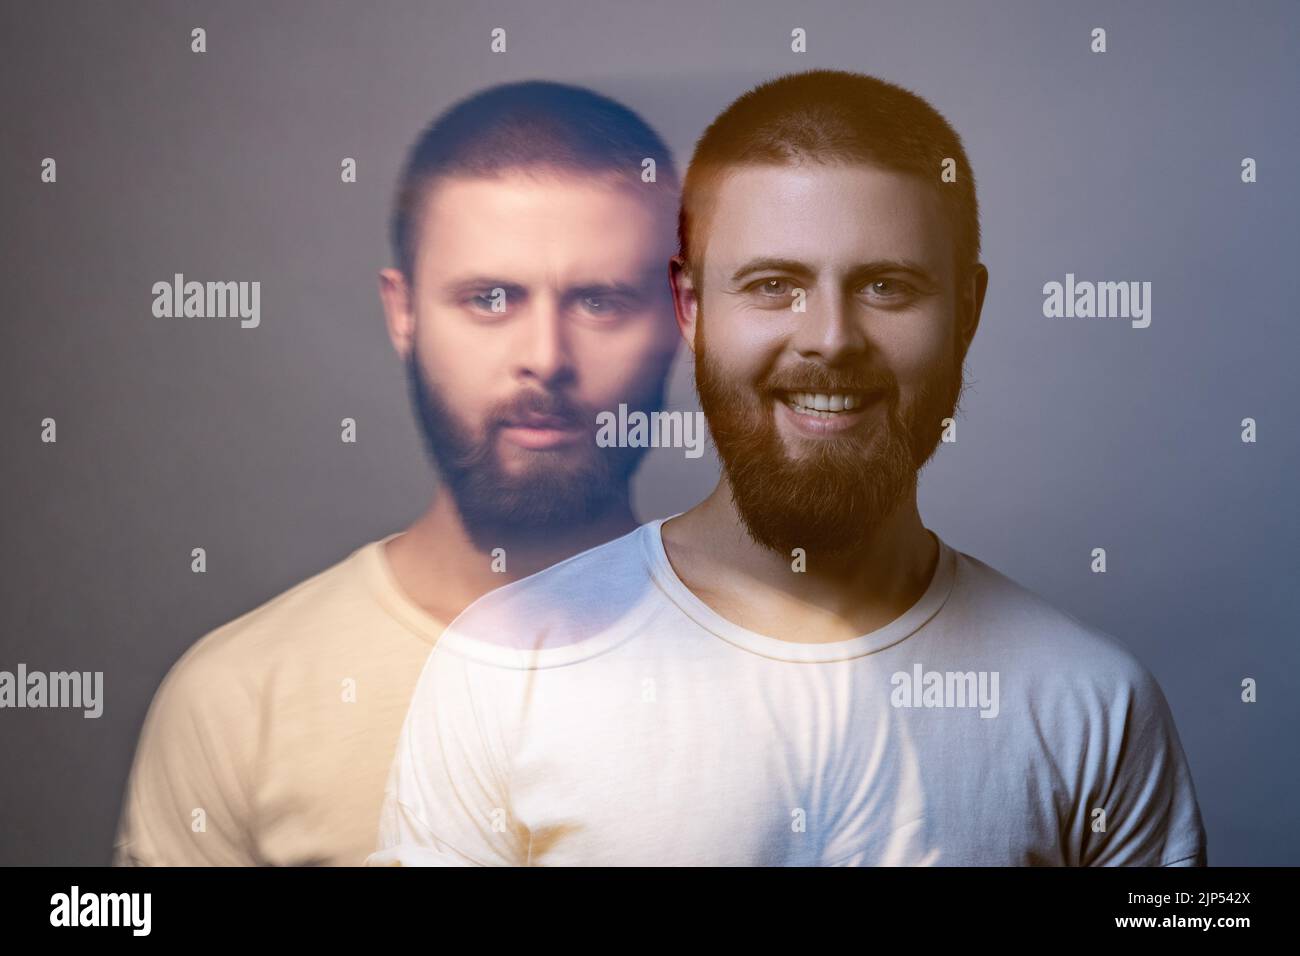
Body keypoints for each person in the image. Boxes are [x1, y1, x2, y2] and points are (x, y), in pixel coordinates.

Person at [370, 69, 1207, 866]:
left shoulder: (1094, 704)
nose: (830, 338)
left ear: (969, 311)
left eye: (887, 286)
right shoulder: (502, 671)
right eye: (773, 285)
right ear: (690, 309)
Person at [113, 81, 681, 865]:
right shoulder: (239, 700)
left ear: (681, 315)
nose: (546, 357)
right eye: (489, 299)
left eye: (601, 301)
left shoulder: (799, 676)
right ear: (402, 313)